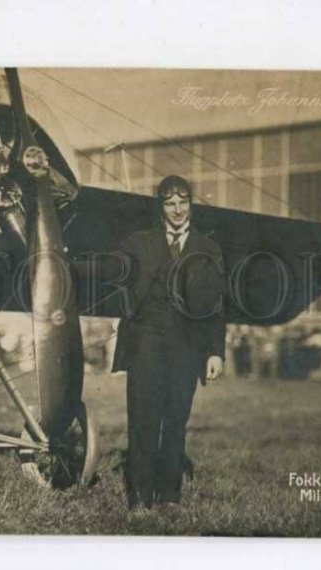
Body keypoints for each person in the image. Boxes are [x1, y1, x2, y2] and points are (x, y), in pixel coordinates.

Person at [111, 175, 227, 509]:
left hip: (187, 347)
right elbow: (114, 276)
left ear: (191, 204)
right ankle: (139, 498)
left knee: (176, 419)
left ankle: (169, 496)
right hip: (146, 342)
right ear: (160, 207)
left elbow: (217, 306)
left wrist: (215, 352)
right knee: (143, 418)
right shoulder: (138, 243)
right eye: (169, 203)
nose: (177, 210)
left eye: (183, 202)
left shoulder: (209, 249)